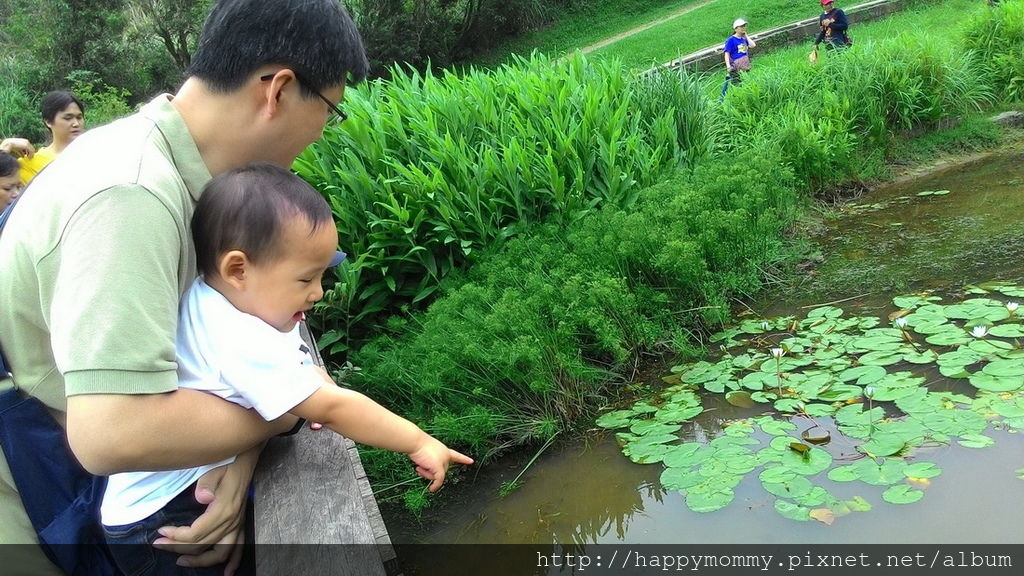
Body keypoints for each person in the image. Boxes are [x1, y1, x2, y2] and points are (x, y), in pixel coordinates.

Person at [0, 1, 370, 574]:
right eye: (330, 112)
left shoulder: (170, 166)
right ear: (278, 90)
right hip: (44, 496)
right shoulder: (132, 193)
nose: (322, 133)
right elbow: (111, 432)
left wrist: (243, 447)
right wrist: (295, 404)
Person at [100, 163, 473, 575]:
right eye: (306, 279)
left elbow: (297, 363)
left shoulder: (226, 299)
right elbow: (332, 409)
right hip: (166, 517)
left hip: (164, 498)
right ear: (238, 269)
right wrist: (418, 442)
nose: (318, 292)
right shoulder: (237, 334)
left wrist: (313, 379)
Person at [3, 91, 86, 186]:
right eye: (68, 118)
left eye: (79, 117)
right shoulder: (30, 164)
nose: (76, 123)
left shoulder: (95, 155)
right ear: (48, 122)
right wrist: (5, 147)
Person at [720, 18, 756, 101]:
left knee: (746, 83)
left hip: (745, 66)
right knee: (737, 84)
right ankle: (738, 99)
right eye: (741, 26)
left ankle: (747, 98)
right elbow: (726, 53)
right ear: (736, 28)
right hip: (736, 67)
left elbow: (753, 45)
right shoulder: (731, 40)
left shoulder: (743, 39)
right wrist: (728, 66)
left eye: (744, 26)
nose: (743, 28)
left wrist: (746, 36)